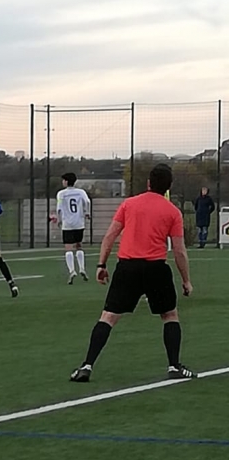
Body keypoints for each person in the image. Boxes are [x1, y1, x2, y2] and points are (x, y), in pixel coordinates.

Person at [70, 164, 195, 382]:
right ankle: (174, 366)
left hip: (127, 268)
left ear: (148, 183)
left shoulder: (129, 204)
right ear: (169, 187)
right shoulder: (172, 211)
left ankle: (86, 366)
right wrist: (186, 280)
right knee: (169, 315)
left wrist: (101, 265)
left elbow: (110, 236)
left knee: (108, 316)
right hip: (156, 269)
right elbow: (179, 251)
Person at [51, 172, 91, 284]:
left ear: (66, 181)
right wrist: (87, 212)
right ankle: (82, 268)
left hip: (67, 224)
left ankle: (72, 271)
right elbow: (87, 201)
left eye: (63, 180)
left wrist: (59, 219)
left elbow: (59, 208)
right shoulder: (81, 192)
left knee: (68, 248)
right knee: (79, 245)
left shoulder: (61, 194)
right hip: (79, 222)